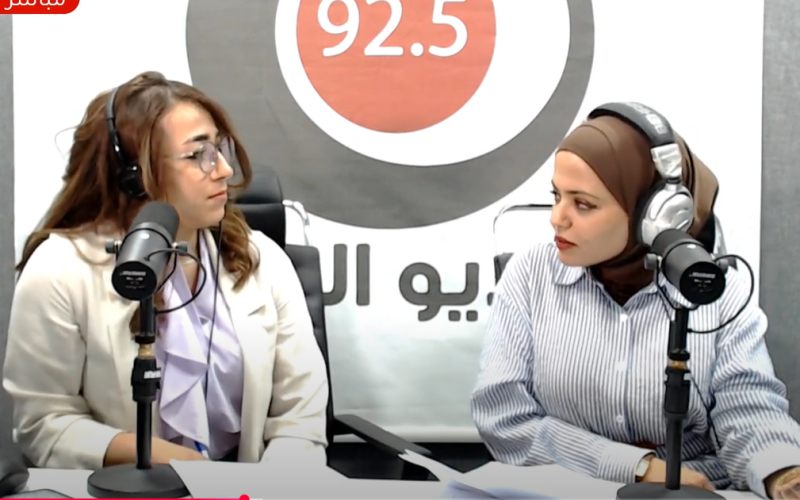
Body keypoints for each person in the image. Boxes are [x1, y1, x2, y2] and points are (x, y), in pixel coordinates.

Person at [3, 71, 329, 470]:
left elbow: (300, 413)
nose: (224, 169)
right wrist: (176, 465)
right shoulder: (60, 270)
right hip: (125, 487)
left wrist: (273, 486)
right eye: (197, 155)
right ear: (134, 177)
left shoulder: (260, 257)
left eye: (219, 148)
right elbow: (45, 423)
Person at [471, 107, 800, 499]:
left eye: (583, 204)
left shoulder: (716, 290)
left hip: (696, 492)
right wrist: (636, 468)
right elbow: (504, 418)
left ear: (656, 216)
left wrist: (782, 473)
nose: (557, 219)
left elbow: (748, 408)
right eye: (556, 196)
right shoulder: (530, 275)